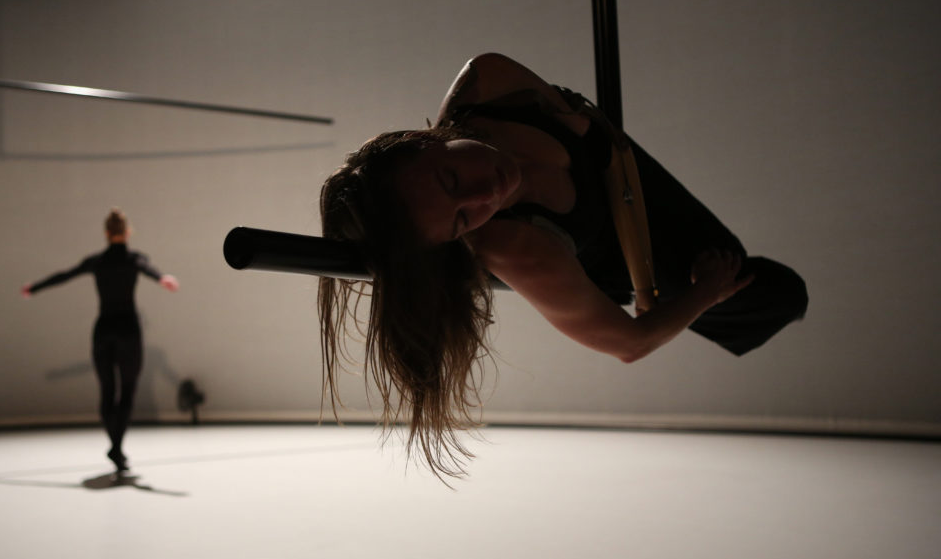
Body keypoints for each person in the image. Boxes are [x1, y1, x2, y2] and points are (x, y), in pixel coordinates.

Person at [319, 53, 807, 479]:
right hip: (635, 262)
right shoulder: (520, 245)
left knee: (754, 270)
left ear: (422, 140)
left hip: (627, 171)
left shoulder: (489, 84)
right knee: (779, 294)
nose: (485, 195)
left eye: (451, 179)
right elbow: (629, 343)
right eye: (463, 219)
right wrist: (706, 293)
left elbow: (567, 107)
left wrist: (575, 118)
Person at [22, 209, 179, 472]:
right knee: (126, 392)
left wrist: (33, 288)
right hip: (128, 331)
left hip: (104, 330)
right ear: (128, 232)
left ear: (106, 233)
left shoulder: (97, 261)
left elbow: (64, 275)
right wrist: (162, 278)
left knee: (108, 391)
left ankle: (116, 448)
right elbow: (147, 268)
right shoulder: (134, 258)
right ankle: (117, 449)